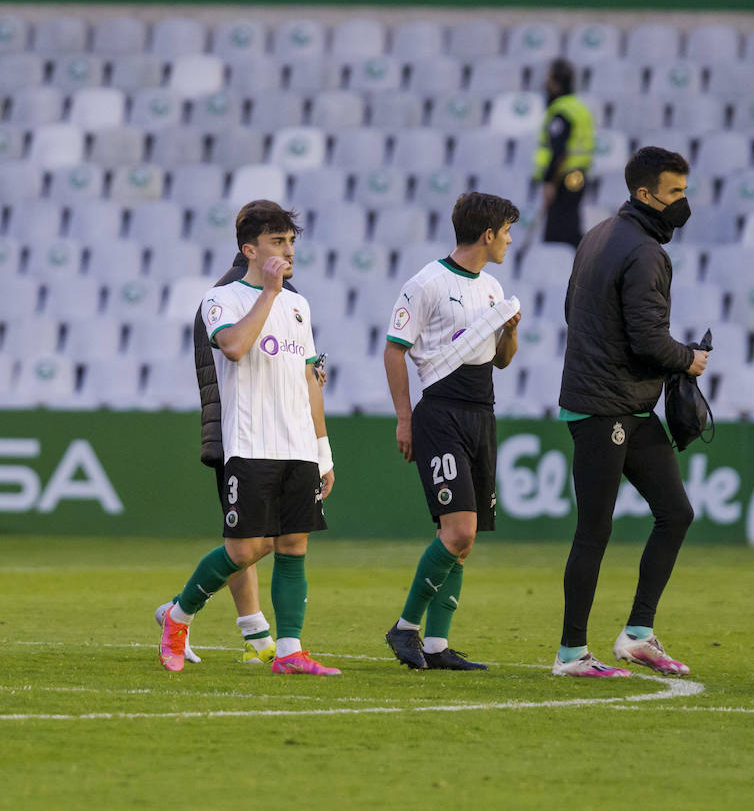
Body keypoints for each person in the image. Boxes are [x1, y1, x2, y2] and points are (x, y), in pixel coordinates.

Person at [157, 200, 339, 676]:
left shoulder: (300, 306)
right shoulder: (221, 299)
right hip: (250, 443)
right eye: (277, 242)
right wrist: (270, 293)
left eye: (292, 241)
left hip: (298, 444)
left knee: (294, 544)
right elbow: (235, 348)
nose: (288, 250)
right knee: (244, 550)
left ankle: (289, 650)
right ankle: (177, 618)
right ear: (249, 249)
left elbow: (309, 379)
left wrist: (323, 452)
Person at [553, 146, 708, 679]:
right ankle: (572, 653)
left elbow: (573, 311)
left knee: (676, 513)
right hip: (606, 407)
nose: (683, 204)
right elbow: (647, 340)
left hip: (620, 403)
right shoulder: (645, 252)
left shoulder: (597, 235)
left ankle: (638, 635)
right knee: (594, 530)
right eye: (675, 193)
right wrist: (689, 358)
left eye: (685, 191)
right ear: (646, 195)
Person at [383, 193, 522, 671]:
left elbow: (502, 360)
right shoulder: (427, 283)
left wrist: (509, 333)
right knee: (457, 530)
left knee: (467, 537)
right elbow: (395, 349)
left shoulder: (493, 288)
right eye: (506, 231)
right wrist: (405, 417)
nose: (508, 240)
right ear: (487, 234)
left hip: (482, 412)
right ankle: (405, 629)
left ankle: (439, 645)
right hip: (440, 413)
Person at [532, 58, 594, 248]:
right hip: (578, 176)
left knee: (558, 230)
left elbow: (559, 149)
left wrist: (549, 181)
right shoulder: (579, 108)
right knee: (569, 225)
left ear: (556, 83)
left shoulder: (561, 111)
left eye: (549, 80)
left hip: (563, 177)